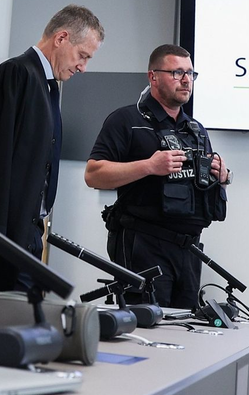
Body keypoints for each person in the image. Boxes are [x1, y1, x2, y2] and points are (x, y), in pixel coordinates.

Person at [0, 5, 104, 292]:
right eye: (83, 55)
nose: (83, 67)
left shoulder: (47, 87)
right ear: (61, 38)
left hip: (25, 235)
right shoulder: (14, 74)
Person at [85, 44, 231, 310]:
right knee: (146, 324)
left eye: (190, 73)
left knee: (184, 324)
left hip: (189, 250)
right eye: (177, 72)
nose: (186, 80)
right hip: (144, 246)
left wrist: (222, 176)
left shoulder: (195, 129)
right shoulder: (126, 120)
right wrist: (149, 166)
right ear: (153, 76)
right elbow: (93, 175)